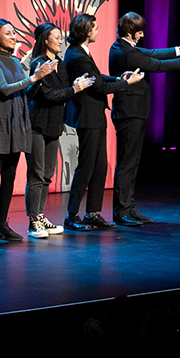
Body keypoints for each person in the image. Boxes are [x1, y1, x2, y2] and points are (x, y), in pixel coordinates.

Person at [108, 12, 180, 226]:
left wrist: (179, 50)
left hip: (134, 112)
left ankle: (128, 207)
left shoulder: (124, 46)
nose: (143, 34)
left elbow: (151, 53)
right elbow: (156, 64)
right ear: (129, 32)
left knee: (132, 163)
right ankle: (121, 211)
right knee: (127, 163)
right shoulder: (127, 53)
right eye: (139, 32)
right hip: (129, 112)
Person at [0, 19, 55, 243]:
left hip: (14, 122)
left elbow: (24, 91)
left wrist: (39, 79)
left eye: (13, 33)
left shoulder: (16, 62)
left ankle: (1, 225)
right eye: (7, 33)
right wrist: (33, 77)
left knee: (9, 177)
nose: (13, 36)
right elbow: (5, 89)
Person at [63, 14, 143, 230]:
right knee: (87, 166)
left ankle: (92, 213)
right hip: (87, 117)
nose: (98, 30)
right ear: (86, 31)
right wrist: (126, 83)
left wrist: (118, 78)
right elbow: (98, 87)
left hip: (95, 115)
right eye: (95, 27)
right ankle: (71, 216)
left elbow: (98, 78)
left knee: (99, 166)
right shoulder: (76, 56)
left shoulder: (82, 52)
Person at [25, 23, 94, 238]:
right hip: (37, 124)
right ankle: (33, 221)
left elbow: (63, 91)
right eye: (55, 37)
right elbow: (48, 94)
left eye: (60, 37)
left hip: (54, 125)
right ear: (45, 40)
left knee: (47, 175)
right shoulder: (39, 63)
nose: (60, 40)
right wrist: (74, 89)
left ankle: (41, 215)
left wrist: (75, 84)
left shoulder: (61, 64)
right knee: (36, 175)